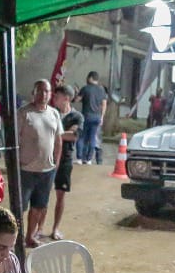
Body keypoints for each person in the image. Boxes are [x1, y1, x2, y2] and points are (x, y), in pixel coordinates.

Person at [16, 79, 62, 248]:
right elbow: (14, 141)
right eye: (40, 91)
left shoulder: (54, 114)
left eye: (47, 91)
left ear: (51, 94)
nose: (43, 94)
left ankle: (29, 237)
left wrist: (55, 163)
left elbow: (58, 140)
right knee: (20, 207)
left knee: (39, 207)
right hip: (26, 169)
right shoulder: (23, 113)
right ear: (33, 93)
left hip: (47, 170)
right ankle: (15, 238)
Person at [49, 84, 81, 240]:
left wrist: (53, 134)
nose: (53, 99)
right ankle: (39, 227)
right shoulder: (50, 113)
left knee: (60, 196)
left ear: (67, 98)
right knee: (41, 197)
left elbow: (73, 135)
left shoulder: (76, 116)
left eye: (57, 96)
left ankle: (55, 228)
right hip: (47, 158)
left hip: (65, 159)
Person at [76, 70, 107, 165]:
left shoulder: (85, 88)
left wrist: (77, 93)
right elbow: (104, 104)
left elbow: (77, 100)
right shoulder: (101, 90)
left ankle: (80, 158)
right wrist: (102, 117)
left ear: (90, 78)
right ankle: (89, 159)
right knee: (92, 138)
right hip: (97, 117)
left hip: (86, 116)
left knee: (81, 137)